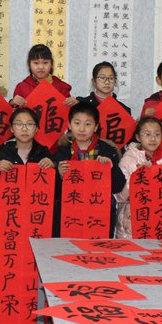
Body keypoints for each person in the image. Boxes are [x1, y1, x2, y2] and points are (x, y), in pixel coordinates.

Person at [0, 107, 55, 324]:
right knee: (9, 272)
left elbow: (55, 190)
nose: (24, 129)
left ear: (37, 128)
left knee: (32, 274)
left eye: (29, 124)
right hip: (10, 224)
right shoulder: (3, 152)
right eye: (19, 124)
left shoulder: (44, 153)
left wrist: (53, 168)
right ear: (12, 128)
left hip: (37, 224)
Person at [53, 101, 126, 237]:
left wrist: (111, 168)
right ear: (69, 125)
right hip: (69, 214)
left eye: (87, 124)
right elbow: (54, 193)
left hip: (99, 214)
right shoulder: (62, 152)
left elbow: (118, 186)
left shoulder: (107, 150)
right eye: (77, 123)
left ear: (96, 127)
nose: (82, 129)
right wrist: (60, 175)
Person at [115, 117, 162, 239]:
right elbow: (120, 196)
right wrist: (138, 176)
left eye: (157, 134)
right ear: (138, 137)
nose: (153, 139)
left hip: (160, 220)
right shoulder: (128, 159)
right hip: (132, 224)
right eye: (147, 134)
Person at [9, 44, 78, 107]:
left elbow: (68, 112)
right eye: (36, 63)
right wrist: (12, 103)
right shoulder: (22, 87)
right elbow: (14, 114)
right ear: (29, 64)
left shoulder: (62, 87)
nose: (41, 67)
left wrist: (74, 103)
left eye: (45, 63)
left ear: (51, 64)